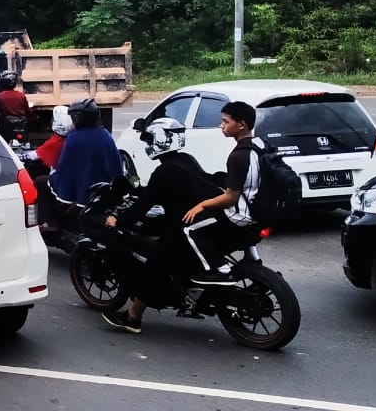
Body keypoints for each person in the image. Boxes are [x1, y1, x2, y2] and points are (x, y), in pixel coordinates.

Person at [101, 118, 225, 334]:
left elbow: (142, 206)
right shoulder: (186, 159)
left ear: (160, 140)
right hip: (207, 219)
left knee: (156, 263)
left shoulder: (164, 172)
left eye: (150, 139)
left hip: (185, 224)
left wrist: (117, 221)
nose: (148, 144)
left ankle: (132, 317)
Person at [181, 101, 264, 286]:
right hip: (260, 211)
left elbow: (230, 198)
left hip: (241, 216)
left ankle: (221, 270)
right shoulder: (260, 145)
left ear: (241, 125)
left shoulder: (237, 156)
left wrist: (202, 205)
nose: (221, 125)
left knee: (190, 228)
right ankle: (253, 258)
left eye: (226, 121)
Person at [49, 98, 123, 205]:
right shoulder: (105, 134)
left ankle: (51, 215)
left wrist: (54, 174)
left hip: (82, 192)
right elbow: (115, 164)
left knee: (42, 182)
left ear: (77, 118)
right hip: (105, 191)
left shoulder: (73, 137)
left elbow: (65, 169)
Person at [0, 72, 30, 141]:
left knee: (1, 137)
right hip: (21, 125)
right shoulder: (21, 95)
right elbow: (27, 111)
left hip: (6, 125)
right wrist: (33, 117)